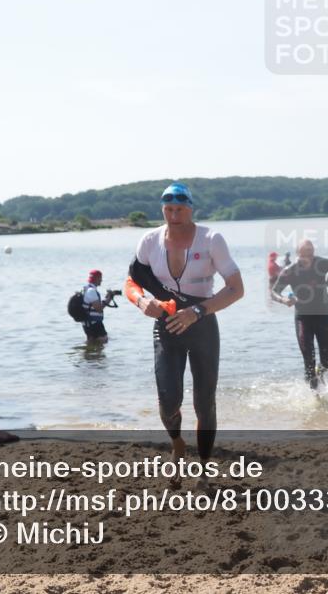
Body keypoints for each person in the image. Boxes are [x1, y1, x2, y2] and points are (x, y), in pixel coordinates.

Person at [124, 182, 244, 473]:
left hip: (202, 324)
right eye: (168, 209)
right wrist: (141, 302)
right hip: (166, 325)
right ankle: (177, 440)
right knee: (168, 399)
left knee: (205, 402)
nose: (173, 214)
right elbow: (131, 282)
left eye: (179, 208)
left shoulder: (211, 239)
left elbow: (236, 289)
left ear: (191, 209)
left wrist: (197, 311)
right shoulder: (149, 241)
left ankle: (203, 465)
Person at [271, 240, 328, 389]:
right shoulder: (290, 270)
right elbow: (274, 292)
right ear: (297, 254)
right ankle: (315, 398)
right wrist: (283, 300)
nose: (309, 257)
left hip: (323, 315)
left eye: (311, 253)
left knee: (327, 362)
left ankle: (319, 373)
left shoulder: (322, 263)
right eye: (305, 254)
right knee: (309, 360)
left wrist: (326, 284)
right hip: (303, 318)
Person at [80, 269, 116, 344]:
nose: (101, 280)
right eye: (100, 278)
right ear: (97, 278)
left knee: (92, 342)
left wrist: (108, 298)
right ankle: (94, 354)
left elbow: (94, 306)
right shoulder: (91, 291)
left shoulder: (85, 289)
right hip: (94, 323)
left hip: (88, 322)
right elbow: (99, 309)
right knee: (103, 340)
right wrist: (109, 298)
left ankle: (89, 354)